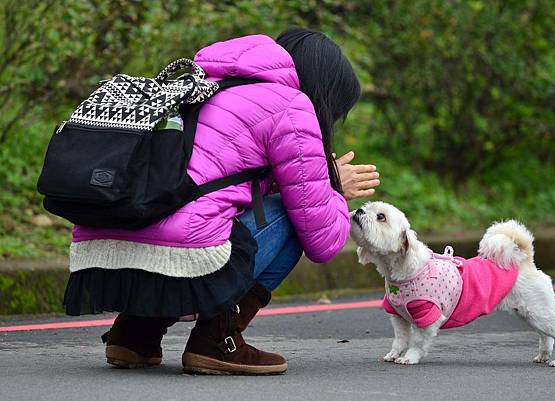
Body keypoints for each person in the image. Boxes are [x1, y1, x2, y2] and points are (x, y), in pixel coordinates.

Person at [63, 28, 379, 375]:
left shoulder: (198, 83)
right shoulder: (290, 104)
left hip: (104, 251)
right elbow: (323, 241)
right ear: (324, 91)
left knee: (203, 213)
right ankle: (218, 341)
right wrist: (332, 186)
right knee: (292, 218)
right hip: (178, 254)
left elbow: (215, 181)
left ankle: (135, 332)